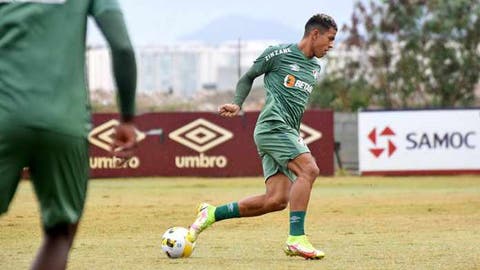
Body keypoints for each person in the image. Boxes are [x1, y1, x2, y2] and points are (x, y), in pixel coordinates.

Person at [187, 14, 337, 260]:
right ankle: (296, 239)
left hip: (287, 130)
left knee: (276, 200)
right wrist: (237, 103)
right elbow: (248, 76)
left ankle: (211, 214)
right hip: (272, 126)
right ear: (314, 34)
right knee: (309, 170)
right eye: (329, 39)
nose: (331, 45)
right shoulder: (278, 54)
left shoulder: (314, 68)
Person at [0, 1, 137, 269]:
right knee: (60, 233)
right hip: (64, 120)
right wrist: (127, 119)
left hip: (4, 115)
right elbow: (122, 47)